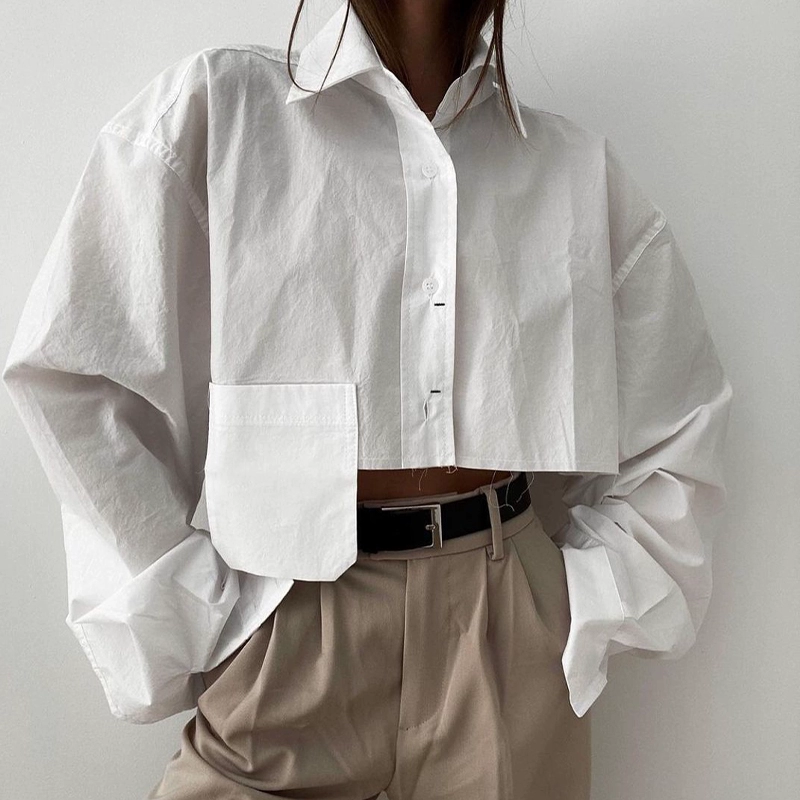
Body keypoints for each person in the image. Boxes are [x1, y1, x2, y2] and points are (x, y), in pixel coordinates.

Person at [2, 0, 733, 798]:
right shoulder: (222, 113)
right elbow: (76, 371)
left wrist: (573, 608)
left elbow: (678, 422)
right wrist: (199, 620)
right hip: (287, 632)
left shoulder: (568, 169)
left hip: (505, 633)